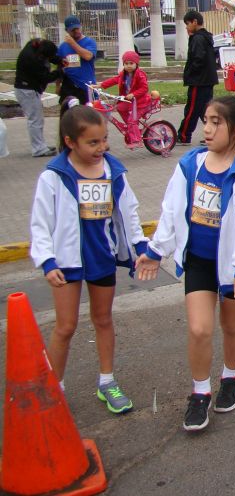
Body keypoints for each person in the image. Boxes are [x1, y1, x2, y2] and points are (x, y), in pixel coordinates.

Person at [136, 96, 235, 432]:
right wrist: (156, 250)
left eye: (215, 122)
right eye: (205, 121)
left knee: (232, 326)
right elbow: (171, 210)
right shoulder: (190, 164)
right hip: (198, 261)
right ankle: (199, 393)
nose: (207, 129)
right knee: (199, 329)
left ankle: (231, 377)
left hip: (232, 269)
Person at [30, 105, 148, 413]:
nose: (102, 147)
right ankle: (54, 388)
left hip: (101, 257)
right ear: (70, 142)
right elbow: (40, 223)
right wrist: (47, 261)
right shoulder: (54, 176)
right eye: (93, 142)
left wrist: (139, 244)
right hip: (66, 263)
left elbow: (129, 211)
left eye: (104, 139)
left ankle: (107, 382)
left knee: (103, 319)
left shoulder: (113, 171)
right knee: (65, 326)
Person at [93, 50, 154, 148]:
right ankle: (131, 127)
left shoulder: (140, 74)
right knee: (120, 107)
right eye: (126, 63)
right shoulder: (123, 74)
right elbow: (115, 80)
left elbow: (144, 88)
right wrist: (101, 85)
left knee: (132, 120)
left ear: (136, 64)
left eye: (131, 63)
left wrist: (133, 94)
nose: (128, 66)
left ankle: (137, 141)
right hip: (129, 101)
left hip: (140, 103)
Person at [14, 38, 62, 157]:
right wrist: (61, 71)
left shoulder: (35, 46)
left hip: (27, 89)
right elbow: (45, 78)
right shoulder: (32, 59)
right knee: (35, 119)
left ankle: (41, 145)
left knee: (37, 119)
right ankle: (38, 149)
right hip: (27, 90)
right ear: (42, 54)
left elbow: (50, 57)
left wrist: (60, 60)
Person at [178, 10, 218, 145]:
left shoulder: (198, 38)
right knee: (205, 110)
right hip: (207, 79)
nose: (186, 27)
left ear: (195, 22)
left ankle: (184, 136)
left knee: (192, 109)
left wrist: (190, 73)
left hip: (199, 80)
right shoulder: (206, 37)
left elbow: (198, 59)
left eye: (187, 24)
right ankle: (215, 134)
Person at [57, 15, 97, 112]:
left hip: (85, 85)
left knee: (86, 114)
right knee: (67, 114)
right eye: (72, 30)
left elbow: (88, 56)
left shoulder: (89, 42)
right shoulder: (63, 47)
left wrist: (73, 43)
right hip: (69, 85)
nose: (76, 31)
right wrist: (58, 85)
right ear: (67, 30)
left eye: (77, 28)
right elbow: (59, 66)